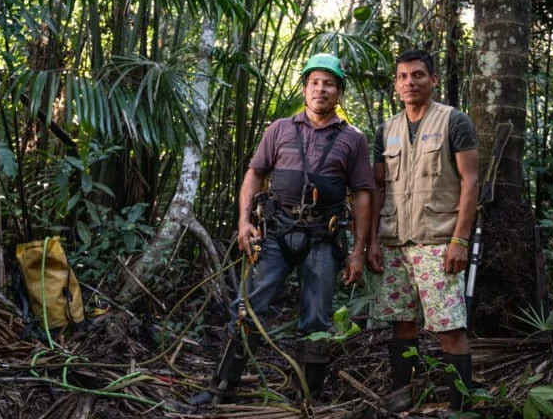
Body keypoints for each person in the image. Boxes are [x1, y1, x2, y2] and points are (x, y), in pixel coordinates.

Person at [189, 53, 374, 407]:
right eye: (314, 82)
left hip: (324, 236)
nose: (321, 89)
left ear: (339, 92)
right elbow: (254, 174)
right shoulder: (280, 129)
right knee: (248, 308)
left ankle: (309, 396)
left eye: (329, 83)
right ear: (304, 88)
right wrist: (244, 222)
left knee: (317, 316)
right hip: (275, 232)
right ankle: (220, 387)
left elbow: (363, 194)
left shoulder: (353, 138)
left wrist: (358, 250)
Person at [366, 49, 478, 411]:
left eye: (417, 75)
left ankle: (460, 406)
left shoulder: (453, 121)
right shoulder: (387, 130)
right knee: (402, 324)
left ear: (433, 79)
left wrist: (460, 241)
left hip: (438, 242)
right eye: (403, 76)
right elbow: (378, 188)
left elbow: (470, 182)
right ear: (396, 84)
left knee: (450, 328)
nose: (409, 82)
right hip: (395, 242)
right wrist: (371, 242)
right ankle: (406, 400)